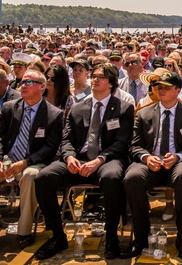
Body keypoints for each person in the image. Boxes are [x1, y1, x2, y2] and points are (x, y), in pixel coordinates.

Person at [34, 62, 134, 260]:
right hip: (78, 159)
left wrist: (99, 160)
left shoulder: (123, 108)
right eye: (94, 76)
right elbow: (67, 139)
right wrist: (69, 156)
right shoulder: (79, 108)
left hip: (107, 159)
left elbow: (122, 143)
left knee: (113, 178)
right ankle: (57, 235)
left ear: (112, 84)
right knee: (43, 178)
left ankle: (112, 235)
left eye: (101, 77)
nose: (95, 80)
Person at [0, 68, 64, 255]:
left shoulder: (54, 114)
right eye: (22, 82)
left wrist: (27, 162)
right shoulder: (9, 107)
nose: (23, 85)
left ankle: (24, 231)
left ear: (42, 87)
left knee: (31, 177)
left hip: (33, 162)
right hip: (6, 159)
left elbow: (50, 148)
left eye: (29, 82)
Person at [122, 69, 182, 261]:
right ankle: (141, 237)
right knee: (132, 177)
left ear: (177, 90)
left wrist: (178, 157)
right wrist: (146, 158)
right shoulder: (143, 114)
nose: (161, 90)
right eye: (158, 87)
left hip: (177, 163)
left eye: (166, 87)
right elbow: (134, 146)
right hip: (150, 162)